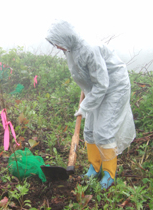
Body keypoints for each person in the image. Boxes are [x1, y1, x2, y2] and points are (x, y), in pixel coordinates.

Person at [46, 20, 136, 190]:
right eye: (55, 44)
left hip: (114, 87)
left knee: (104, 131)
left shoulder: (90, 49)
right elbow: (83, 73)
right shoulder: (70, 48)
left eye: (57, 43)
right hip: (95, 88)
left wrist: (85, 106)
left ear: (67, 37)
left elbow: (103, 84)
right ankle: (94, 167)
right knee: (89, 130)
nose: (57, 47)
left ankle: (109, 174)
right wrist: (87, 95)